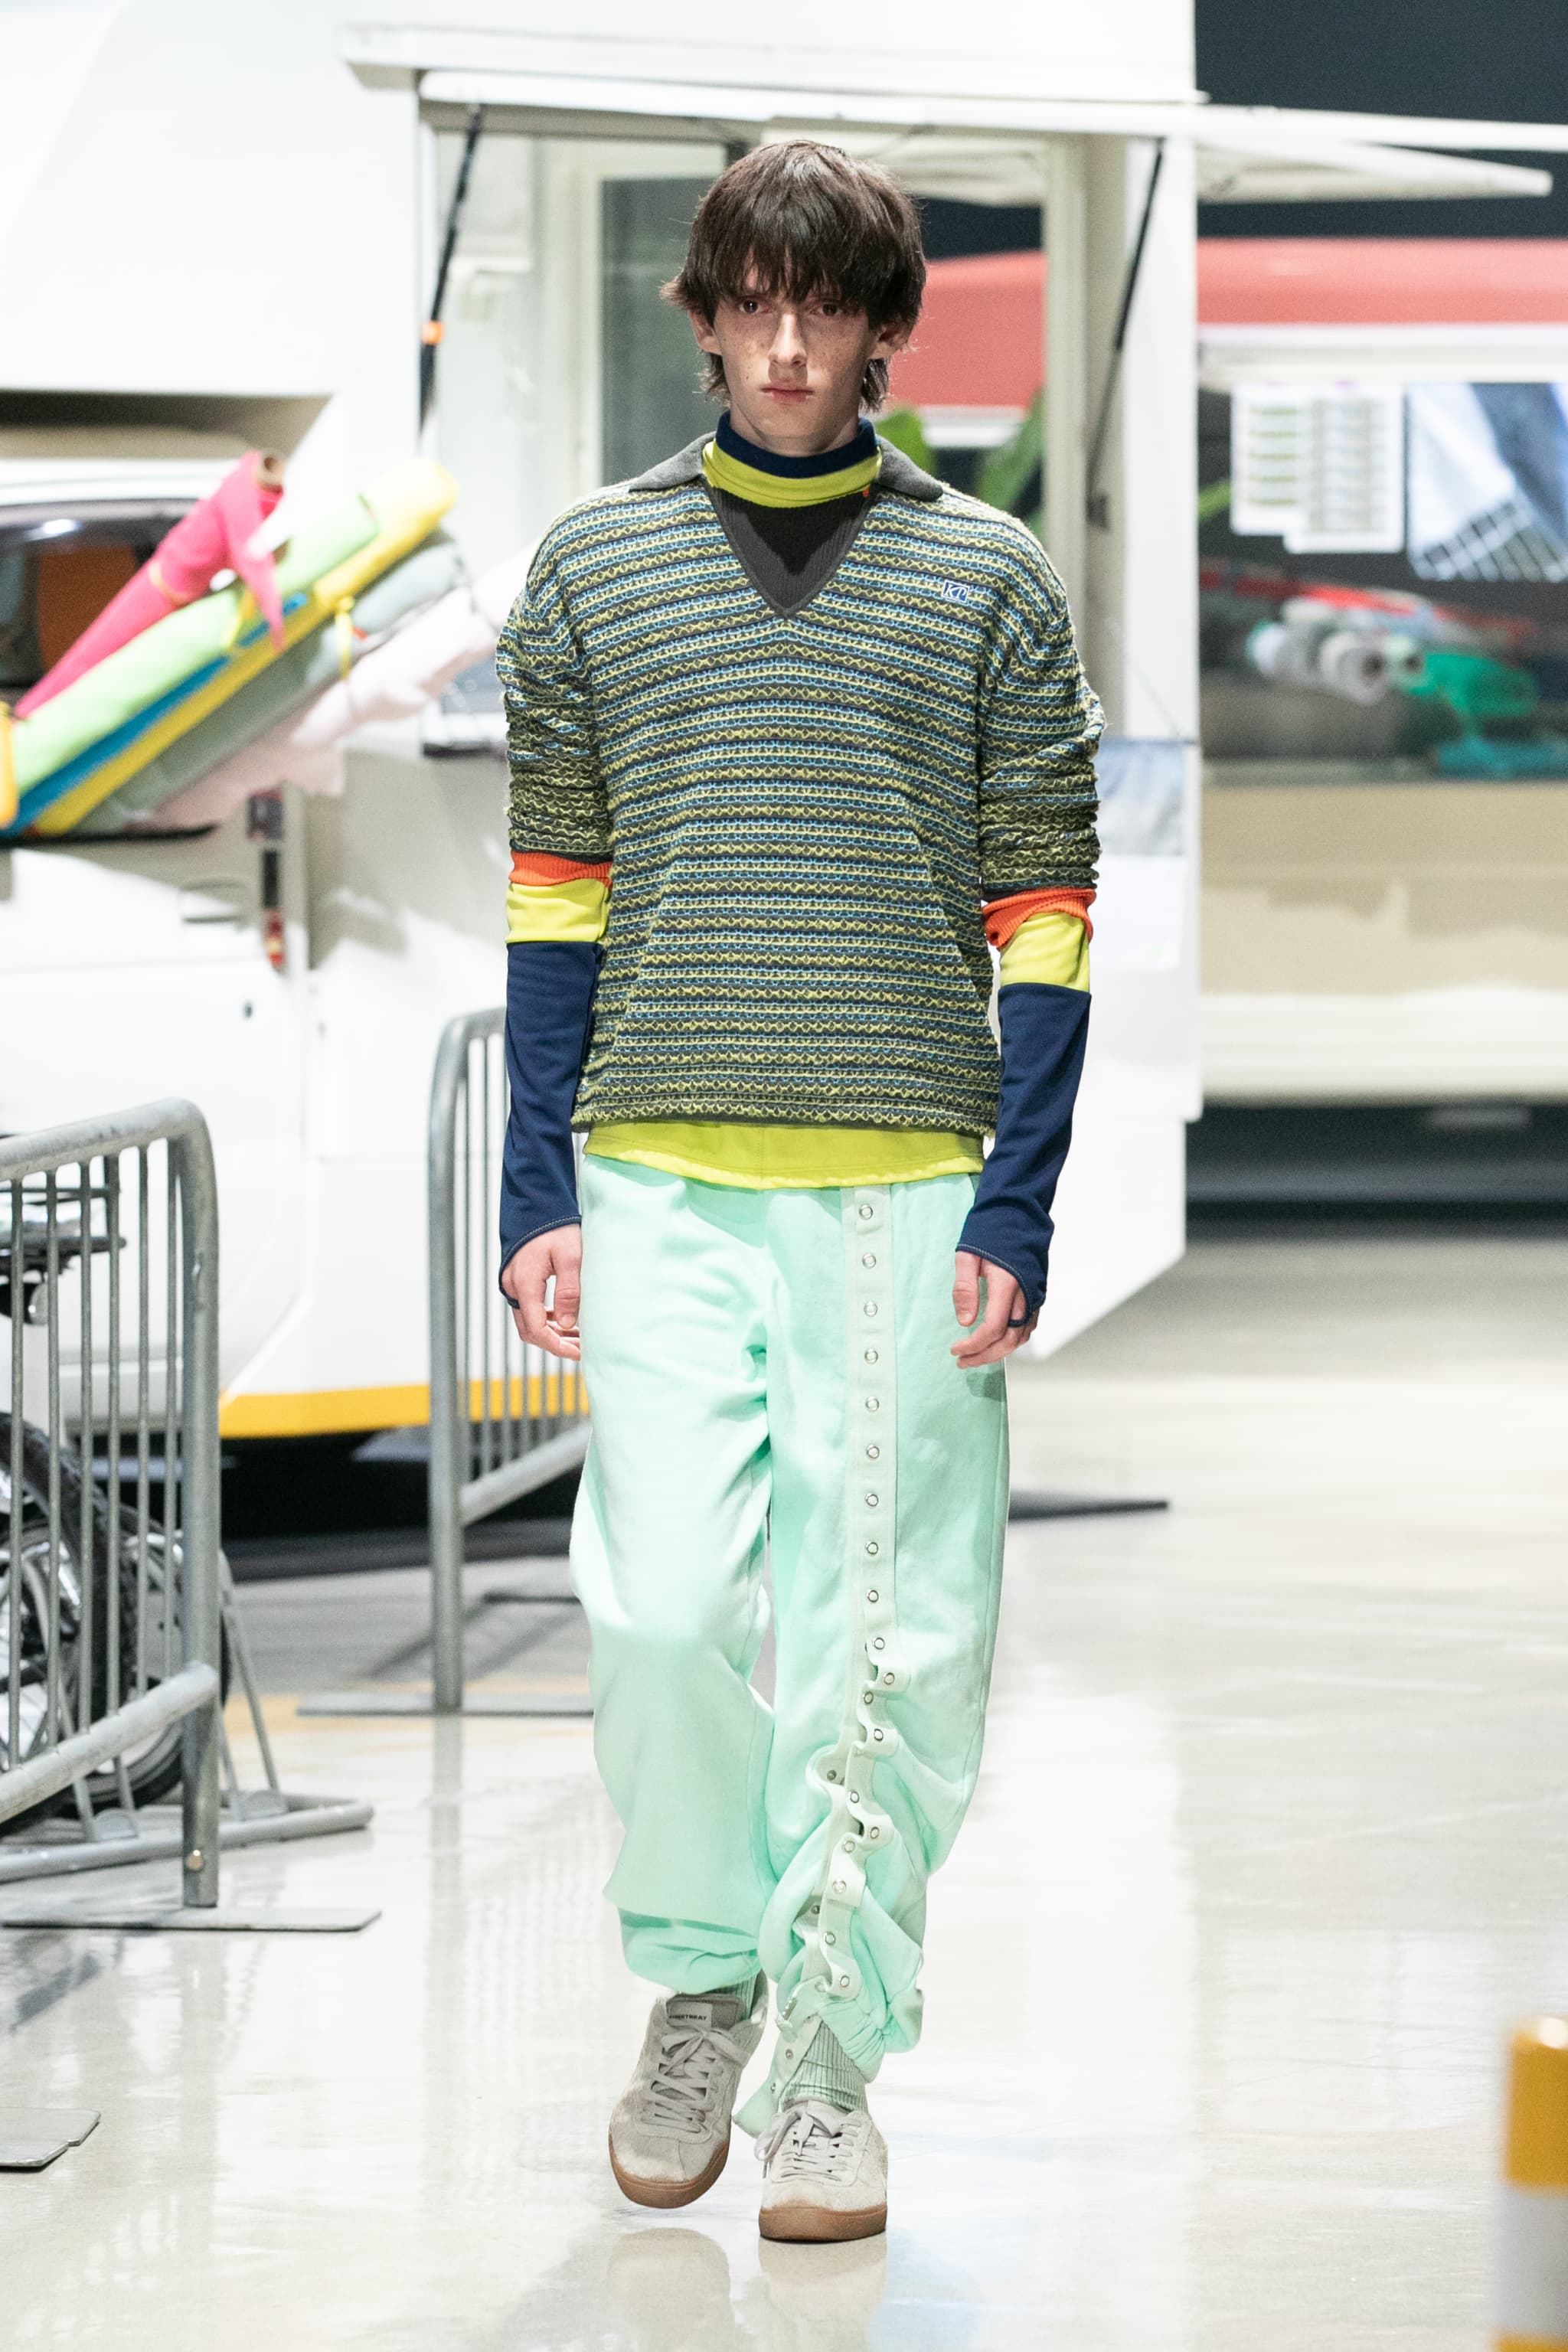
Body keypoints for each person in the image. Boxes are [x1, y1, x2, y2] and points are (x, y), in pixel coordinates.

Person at [497, 139, 1100, 2245]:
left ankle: (829, 2061)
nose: (782, 345)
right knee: (659, 1610)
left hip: (907, 1176)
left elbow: (1046, 916)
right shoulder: (594, 571)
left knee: (885, 1643)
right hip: (659, 1167)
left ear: (879, 326)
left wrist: (1019, 1208)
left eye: (822, 307)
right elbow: (555, 898)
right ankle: (701, 1979)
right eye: (750, 303)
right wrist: (537, 1183)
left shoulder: (987, 580)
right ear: (703, 312)